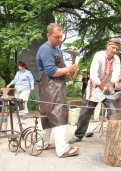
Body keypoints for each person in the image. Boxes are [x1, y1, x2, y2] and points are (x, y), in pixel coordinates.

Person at [36, 23, 79, 158]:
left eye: (61, 37)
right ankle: (62, 149)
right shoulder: (45, 49)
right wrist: (67, 70)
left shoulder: (57, 49)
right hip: (49, 87)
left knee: (48, 117)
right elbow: (51, 71)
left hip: (57, 86)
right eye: (56, 37)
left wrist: (70, 72)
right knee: (59, 115)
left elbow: (64, 68)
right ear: (48, 36)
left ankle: (41, 144)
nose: (59, 40)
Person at [69, 38, 121, 143]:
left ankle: (114, 136)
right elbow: (93, 72)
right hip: (94, 87)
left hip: (107, 86)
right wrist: (99, 85)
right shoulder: (99, 55)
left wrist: (112, 84)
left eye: (117, 48)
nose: (114, 50)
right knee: (85, 113)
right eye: (113, 47)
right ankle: (78, 135)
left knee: (113, 110)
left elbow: (115, 73)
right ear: (107, 46)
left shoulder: (116, 59)